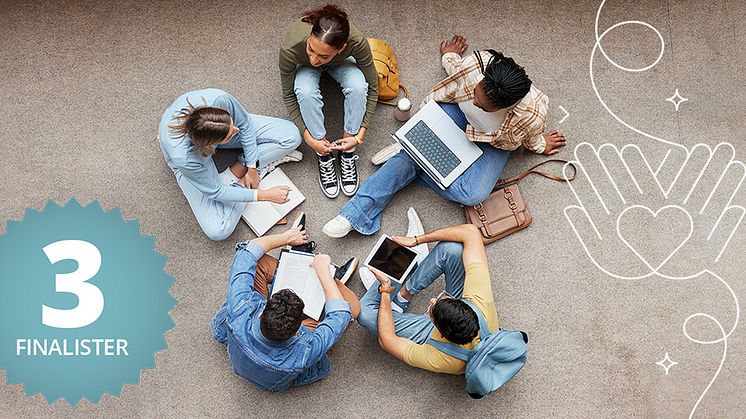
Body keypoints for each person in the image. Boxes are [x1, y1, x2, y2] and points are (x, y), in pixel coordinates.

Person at [323, 35, 567, 237]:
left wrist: (540, 145)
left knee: (472, 195)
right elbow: (456, 70)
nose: (474, 100)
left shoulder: (532, 114)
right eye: (475, 93)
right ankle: (354, 213)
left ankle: (411, 155)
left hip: (493, 141)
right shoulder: (477, 65)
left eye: (482, 105)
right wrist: (449, 56)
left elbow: (531, 136)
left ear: (507, 106)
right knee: (422, 159)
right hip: (453, 113)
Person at [211, 212, 361, 391]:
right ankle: (327, 276)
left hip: (239, 343)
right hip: (284, 375)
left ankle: (299, 260)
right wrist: (324, 274)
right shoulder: (303, 352)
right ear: (299, 329)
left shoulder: (241, 309)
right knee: (353, 307)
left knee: (259, 262)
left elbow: (247, 253)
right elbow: (342, 315)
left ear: (261, 313)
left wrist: (286, 237)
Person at [159, 88, 302, 241]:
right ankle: (241, 178)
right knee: (218, 230)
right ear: (211, 144)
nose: (237, 129)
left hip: (212, 136)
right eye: (231, 134)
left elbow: (245, 125)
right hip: (192, 158)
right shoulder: (185, 158)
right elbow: (215, 191)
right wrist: (262, 195)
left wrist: (252, 166)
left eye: (232, 124)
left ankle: (243, 168)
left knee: (292, 136)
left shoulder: (219, 99)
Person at [356, 224, 499, 375]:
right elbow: (470, 232)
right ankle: (402, 296)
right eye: (440, 300)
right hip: (464, 324)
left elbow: (387, 340)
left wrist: (385, 288)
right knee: (452, 249)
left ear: (440, 334)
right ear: (466, 305)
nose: (432, 300)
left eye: (432, 308)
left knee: (365, 313)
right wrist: (417, 240)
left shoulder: (441, 358)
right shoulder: (480, 299)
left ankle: (396, 274)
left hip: (445, 343)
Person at [280, 4, 378, 198]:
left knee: (359, 87)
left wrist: (358, 137)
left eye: (322, 55)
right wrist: (308, 138)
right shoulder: (291, 49)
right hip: (304, 69)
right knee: (304, 91)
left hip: (341, 63)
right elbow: (289, 95)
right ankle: (322, 151)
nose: (315, 59)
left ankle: (347, 147)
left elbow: (373, 87)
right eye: (311, 49)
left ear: (341, 48)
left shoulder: (356, 42)